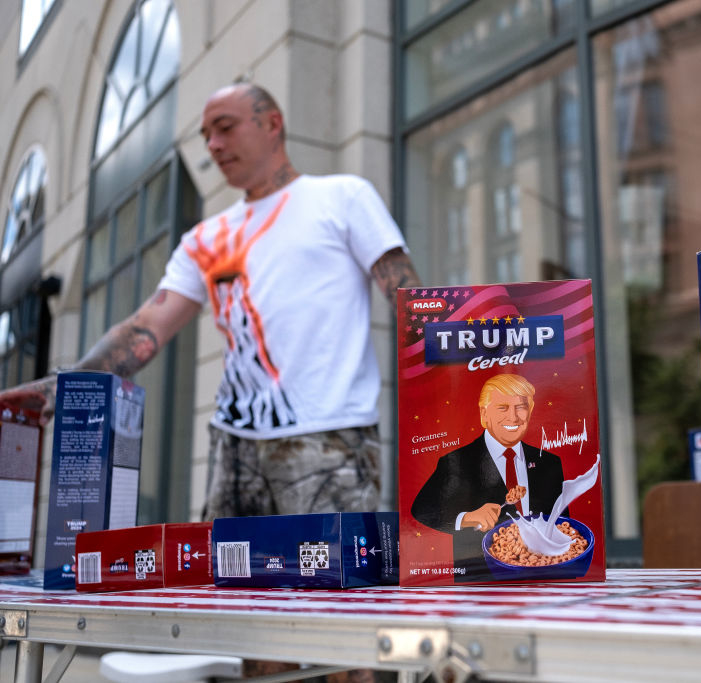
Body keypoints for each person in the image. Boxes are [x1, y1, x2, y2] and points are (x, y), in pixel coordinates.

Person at [1, 81, 420, 520]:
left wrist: (461, 379)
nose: (214, 145)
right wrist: (68, 383)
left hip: (329, 439)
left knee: (331, 582)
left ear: (273, 123)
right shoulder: (205, 237)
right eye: (206, 136)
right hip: (232, 448)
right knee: (229, 582)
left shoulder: (343, 197)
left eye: (225, 128)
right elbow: (147, 327)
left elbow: (408, 297)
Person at [411, 373, 565, 582]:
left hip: (544, 577)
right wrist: (467, 518)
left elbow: (563, 524)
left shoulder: (549, 462)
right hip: (480, 580)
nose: (513, 417)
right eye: (502, 408)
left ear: (530, 412)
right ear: (484, 414)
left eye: (520, 407)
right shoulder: (457, 461)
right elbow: (422, 510)